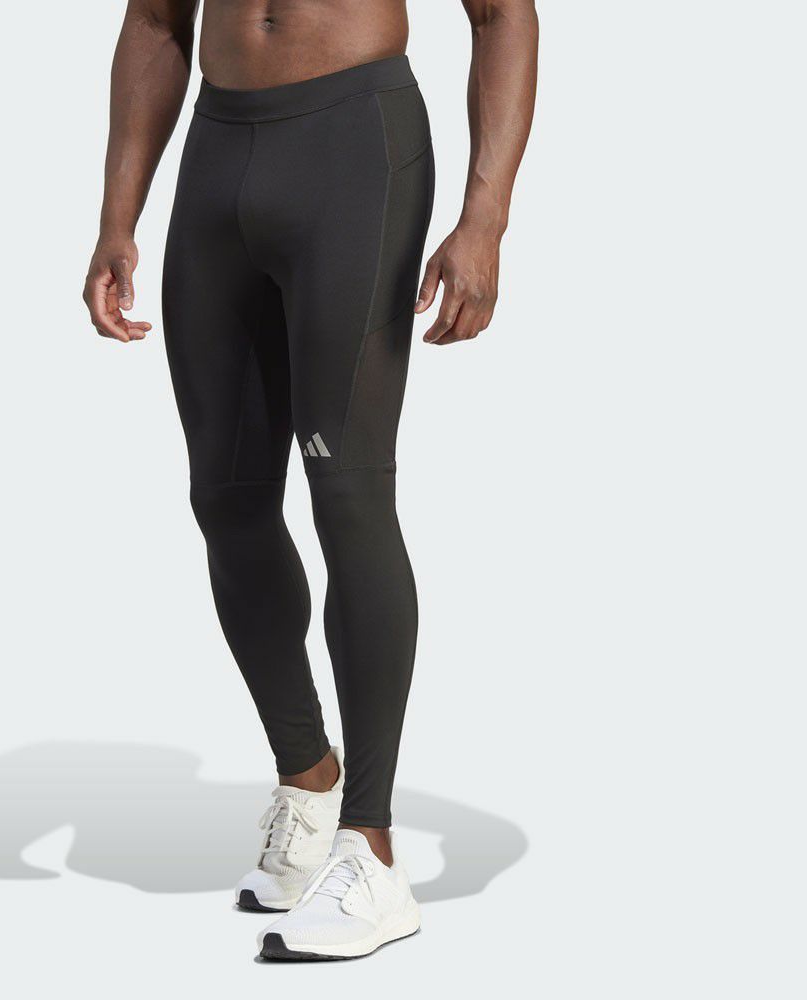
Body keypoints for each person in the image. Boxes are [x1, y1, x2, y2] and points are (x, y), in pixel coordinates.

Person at [83, 0, 538, 961]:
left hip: (354, 150)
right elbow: (155, 25)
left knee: (349, 493)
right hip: (218, 155)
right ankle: (307, 775)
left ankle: (371, 851)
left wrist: (486, 216)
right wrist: (117, 217)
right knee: (226, 499)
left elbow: (503, 15)